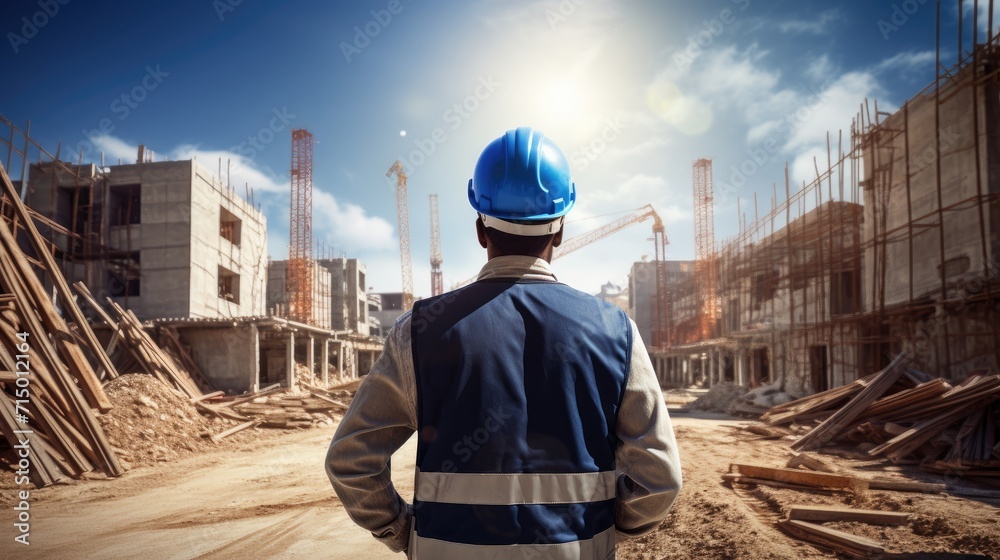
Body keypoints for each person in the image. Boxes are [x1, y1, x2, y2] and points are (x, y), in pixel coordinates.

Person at [326, 126, 682, 559]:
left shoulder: (418, 331)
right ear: (561, 231)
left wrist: (401, 533)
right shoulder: (616, 331)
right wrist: (606, 532)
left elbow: (350, 462)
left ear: (481, 229)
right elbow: (659, 478)